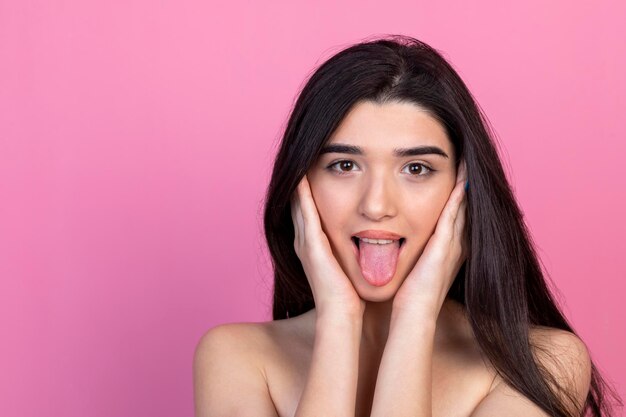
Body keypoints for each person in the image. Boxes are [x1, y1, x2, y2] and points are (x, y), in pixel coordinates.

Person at [193, 35, 622, 417]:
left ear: (465, 190)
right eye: (344, 165)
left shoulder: (541, 363)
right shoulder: (238, 359)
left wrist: (416, 317)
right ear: (299, 185)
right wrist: (338, 321)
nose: (377, 205)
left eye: (416, 168)